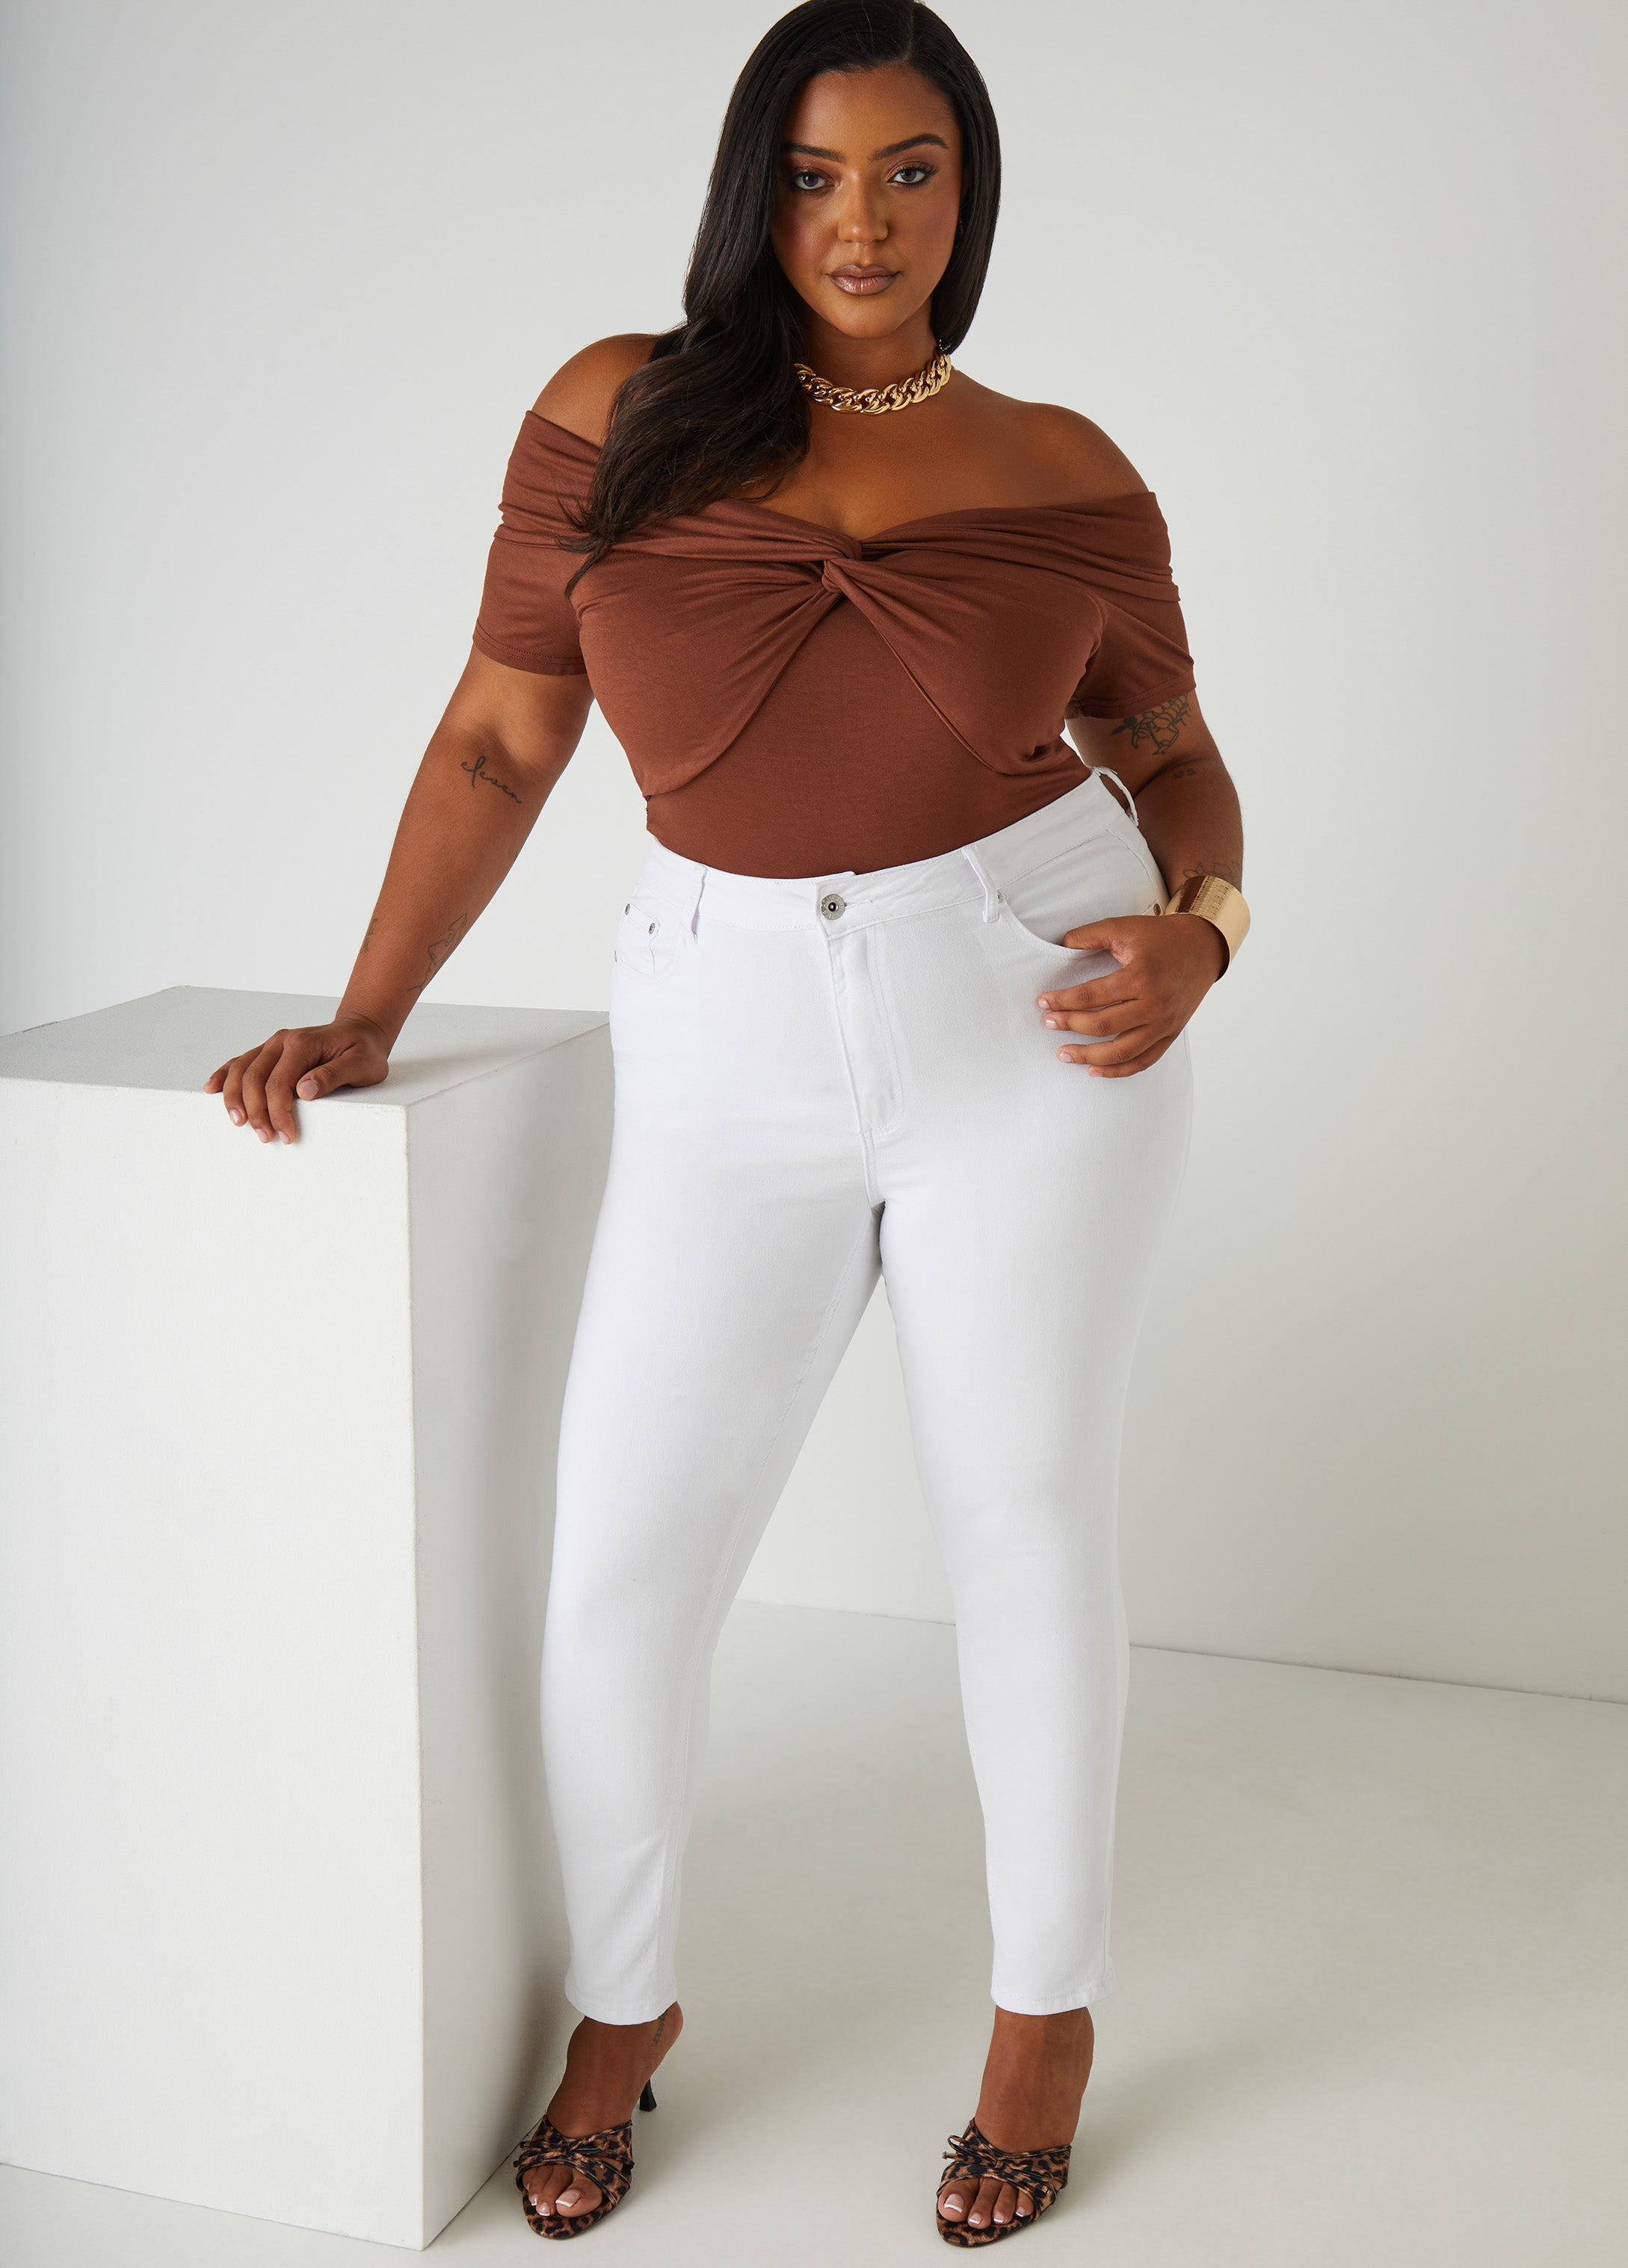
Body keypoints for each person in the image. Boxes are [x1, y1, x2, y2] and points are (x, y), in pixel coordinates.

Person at [206, 0, 1248, 2244]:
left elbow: (1169, 755)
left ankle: (1043, 2020)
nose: (861, 221)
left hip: (1029, 1011)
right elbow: (498, 740)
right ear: (748, 189)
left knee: (1023, 1530)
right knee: (623, 1566)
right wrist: (368, 1011)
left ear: (968, 191)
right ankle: (626, 2002)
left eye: (909, 170)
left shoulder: (1061, 465)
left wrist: (1203, 934)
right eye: (812, 172)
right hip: (722, 1026)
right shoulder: (618, 413)